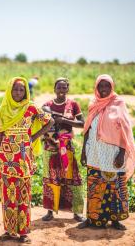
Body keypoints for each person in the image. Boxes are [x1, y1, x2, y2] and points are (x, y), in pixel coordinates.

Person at [0, 77, 54, 243]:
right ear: (10, 91)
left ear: (26, 92)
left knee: (23, 196)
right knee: (8, 196)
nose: (18, 93)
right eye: (15, 89)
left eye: (21, 90)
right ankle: (10, 231)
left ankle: (23, 232)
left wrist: (33, 137)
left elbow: (50, 121)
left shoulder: (30, 108)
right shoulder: (3, 110)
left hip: (23, 159)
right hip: (6, 159)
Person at [78, 74, 135, 230]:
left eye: (107, 86)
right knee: (94, 185)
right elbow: (87, 129)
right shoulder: (94, 104)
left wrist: (122, 153)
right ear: (96, 88)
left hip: (113, 153)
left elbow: (125, 131)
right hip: (94, 152)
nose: (103, 89)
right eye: (100, 86)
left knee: (114, 186)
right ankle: (92, 218)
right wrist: (84, 151)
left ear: (112, 87)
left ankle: (115, 220)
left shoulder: (119, 103)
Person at [41, 78, 85, 222]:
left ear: (67, 89)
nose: (61, 90)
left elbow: (82, 124)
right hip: (50, 148)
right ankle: (49, 211)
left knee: (72, 177)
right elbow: (41, 122)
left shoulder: (73, 105)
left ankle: (77, 212)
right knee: (50, 177)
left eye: (64, 87)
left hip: (67, 148)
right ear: (54, 89)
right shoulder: (47, 105)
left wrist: (64, 120)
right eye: (58, 87)